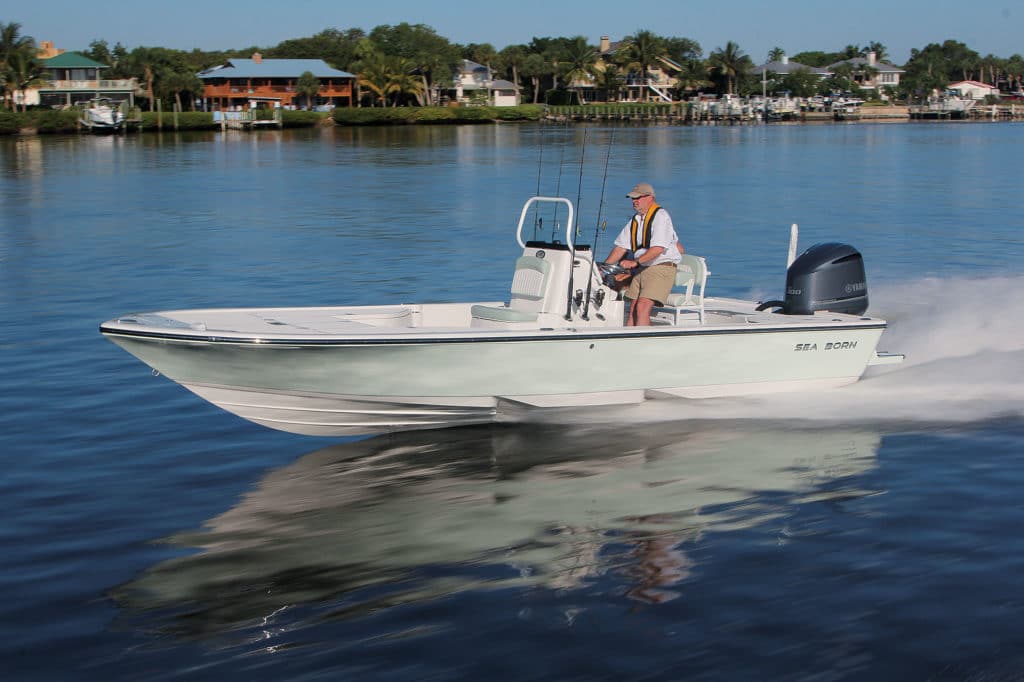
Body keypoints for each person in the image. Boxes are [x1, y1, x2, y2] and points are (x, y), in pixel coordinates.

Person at [604, 183, 682, 326]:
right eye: (632, 199)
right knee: (632, 307)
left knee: (642, 306)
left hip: (661, 267)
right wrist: (603, 267)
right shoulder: (635, 220)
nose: (634, 202)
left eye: (637, 198)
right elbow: (620, 248)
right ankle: (627, 341)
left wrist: (635, 262)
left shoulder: (660, 216)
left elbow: (658, 249)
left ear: (650, 198)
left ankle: (642, 343)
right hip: (642, 269)